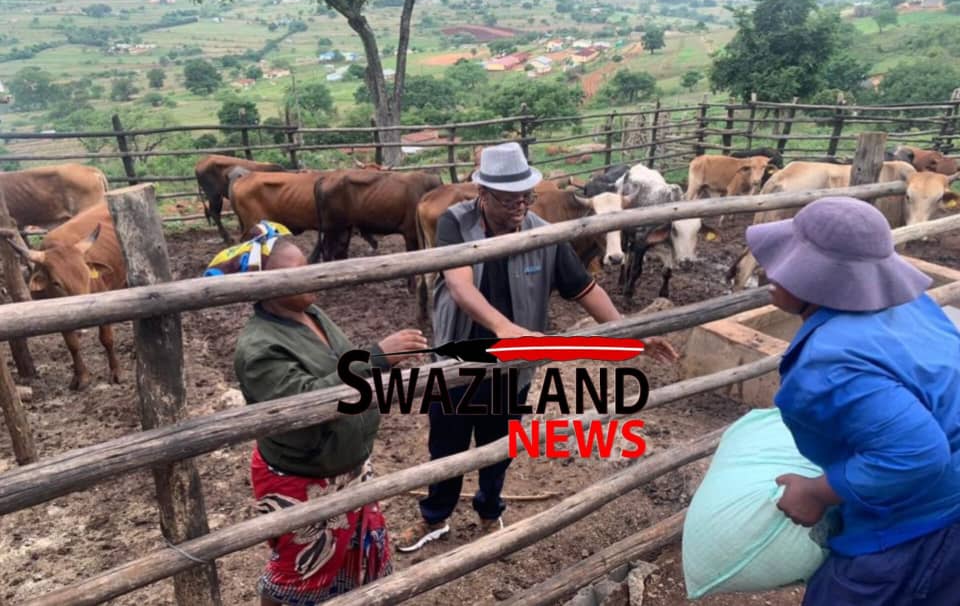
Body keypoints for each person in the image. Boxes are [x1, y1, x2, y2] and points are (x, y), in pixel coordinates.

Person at [397, 142, 679, 553]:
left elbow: (585, 289)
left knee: (500, 445)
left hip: (514, 366)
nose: (519, 206)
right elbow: (459, 286)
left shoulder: (543, 233)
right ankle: (435, 516)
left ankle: (490, 510)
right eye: (508, 198)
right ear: (483, 193)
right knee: (446, 443)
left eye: (525, 197)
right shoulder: (454, 222)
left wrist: (630, 333)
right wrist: (505, 328)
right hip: (457, 362)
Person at [745, 196, 960, 605]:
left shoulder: (830, 360)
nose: (770, 270)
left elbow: (917, 454)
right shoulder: (909, 303)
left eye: (789, 260)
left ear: (821, 278)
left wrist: (818, 492)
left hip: (923, 523)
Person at [213, 221, 429, 606]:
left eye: (308, 265)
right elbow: (307, 402)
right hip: (304, 475)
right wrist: (376, 357)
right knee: (299, 570)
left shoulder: (312, 313)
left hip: (346, 465)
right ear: (265, 288)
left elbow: (338, 363)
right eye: (297, 273)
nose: (312, 275)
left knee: (356, 556)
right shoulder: (258, 348)